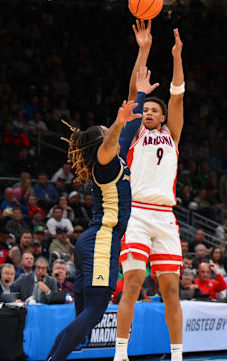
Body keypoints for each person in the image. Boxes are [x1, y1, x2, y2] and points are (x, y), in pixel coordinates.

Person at [45, 91, 143, 361]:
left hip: (92, 241)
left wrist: (144, 56)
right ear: (102, 142)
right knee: (95, 312)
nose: (112, 129)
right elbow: (117, 132)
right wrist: (118, 123)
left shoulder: (115, 158)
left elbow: (134, 110)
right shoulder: (105, 162)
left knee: (84, 324)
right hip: (101, 240)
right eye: (107, 129)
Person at [116, 23, 186, 361]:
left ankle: (176, 355)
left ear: (162, 117)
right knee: (132, 283)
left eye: (153, 111)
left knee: (171, 290)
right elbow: (132, 96)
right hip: (138, 214)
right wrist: (142, 50)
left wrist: (176, 57)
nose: (148, 113)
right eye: (145, 111)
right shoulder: (134, 135)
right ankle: (120, 354)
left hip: (165, 217)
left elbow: (177, 94)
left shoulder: (172, 134)